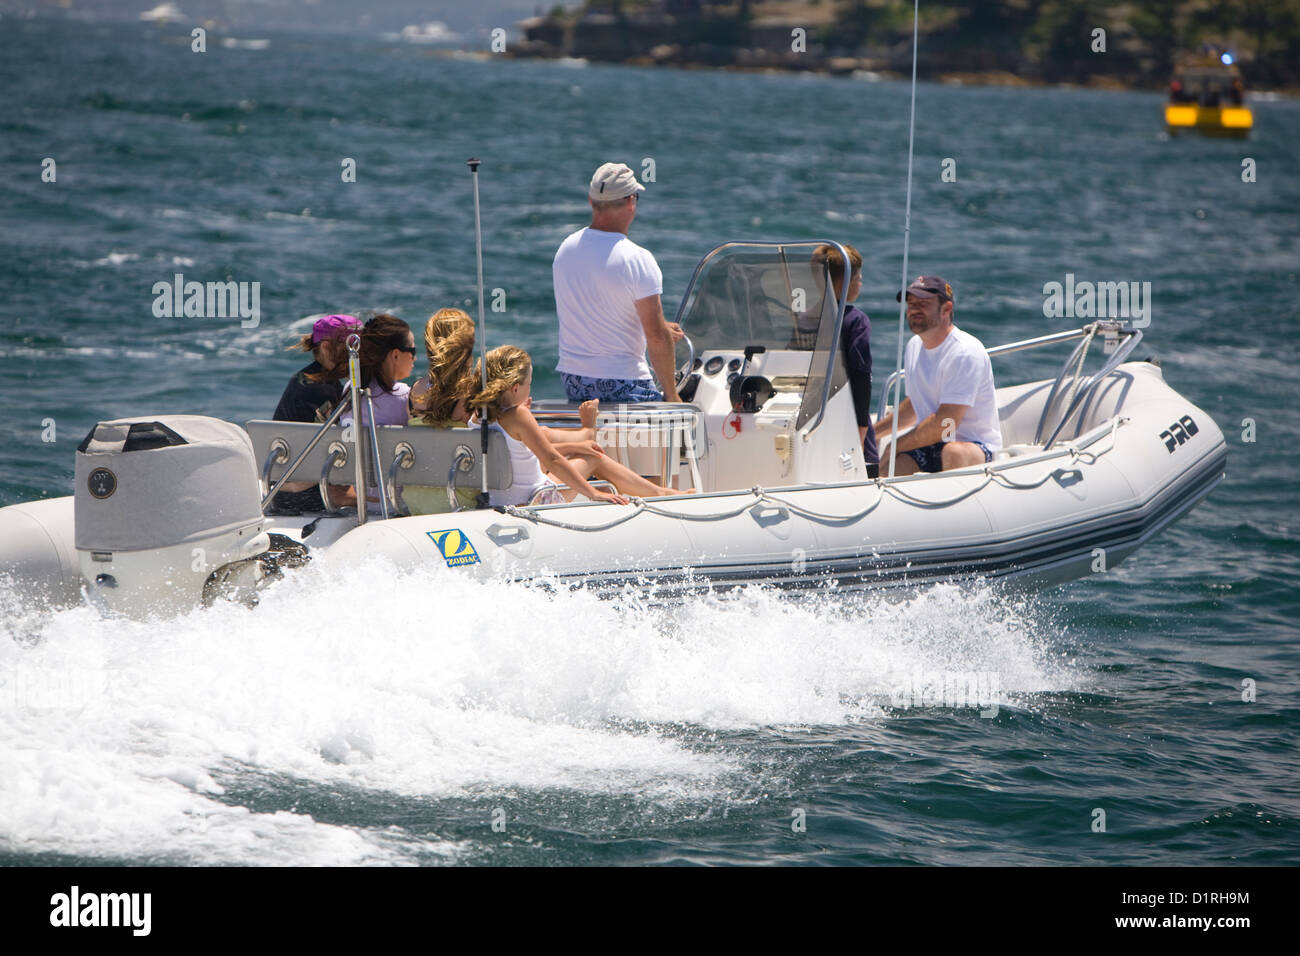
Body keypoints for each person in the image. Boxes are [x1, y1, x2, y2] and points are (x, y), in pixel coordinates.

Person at [471, 346, 684, 507]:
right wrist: (592, 493)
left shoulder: (477, 416)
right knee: (594, 458)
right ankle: (661, 494)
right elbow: (552, 460)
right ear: (516, 388)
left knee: (589, 462)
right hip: (535, 502)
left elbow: (521, 457)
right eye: (529, 383)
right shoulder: (518, 415)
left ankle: (654, 493)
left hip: (500, 502)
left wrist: (576, 448)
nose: (530, 388)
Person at [553, 162, 684, 404]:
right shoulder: (637, 258)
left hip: (574, 381)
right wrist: (672, 394)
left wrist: (662, 326)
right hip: (623, 382)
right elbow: (655, 337)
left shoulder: (566, 249)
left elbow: (598, 305)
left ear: (591, 201)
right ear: (631, 202)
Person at [874, 275, 1002, 475]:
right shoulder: (914, 346)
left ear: (946, 309)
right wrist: (873, 434)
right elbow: (914, 406)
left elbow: (946, 425)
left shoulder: (964, 352)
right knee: (893, 467)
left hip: (973, 445)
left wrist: (895, 445)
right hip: (932, 445)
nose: (914, 308)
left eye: (923, 303)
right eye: (911, 303)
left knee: (953, 452)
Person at [268, 314, 362, 514]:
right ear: (327, 348)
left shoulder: (307, 378)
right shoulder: (320, 390)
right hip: (308, 498)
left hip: (283, 493)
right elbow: (337, 452)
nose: (358, 354)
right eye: (351, 346)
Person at [810, 243, 880, 476]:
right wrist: (861, 426)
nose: (861, 282)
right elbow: (861, 376)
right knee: (866, 465)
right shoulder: (855, 321)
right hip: (845, 416)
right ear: (847, 282)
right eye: (859, 277)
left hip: (812, 412)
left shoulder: (804, 318)